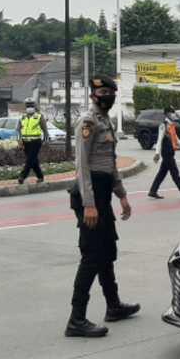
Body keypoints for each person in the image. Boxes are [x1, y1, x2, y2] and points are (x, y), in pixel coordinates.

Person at [67, 77, 140, 337]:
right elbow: (82, 166)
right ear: (93, 95)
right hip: (91, 195)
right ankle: (76, 319)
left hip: (104, 191)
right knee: (91, 256)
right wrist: (89, 204)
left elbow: (110, 162)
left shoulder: (105, 120)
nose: (107, 95)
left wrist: (121, 194)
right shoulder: (87, 122)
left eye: (110, 91)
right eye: (102, 91)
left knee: (107, 250)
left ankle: (113, 305)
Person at [148, 106, 180, 200]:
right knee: (175, 173)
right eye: (172, 112)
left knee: (162, 173)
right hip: (166, 152)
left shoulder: (171, 125)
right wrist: (157, 153)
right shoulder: (163, 125)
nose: (174, 114)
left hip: (170, 151)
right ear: (167, 114)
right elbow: (159, 139)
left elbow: (175, 138)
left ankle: (153, 191)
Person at [18, 99, 49, 185]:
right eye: (28, 105)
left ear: (34, 106)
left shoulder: (39, 116)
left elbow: (45, 130)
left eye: (31, 105)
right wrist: (19, 140)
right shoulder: (22, 117)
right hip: (25, 142)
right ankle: (40, 176)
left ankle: (22, 176)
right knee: (33, 160)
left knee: (29, 160)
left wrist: (46, 140)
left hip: (36, 142)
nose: (29, 107)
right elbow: (18, 130)